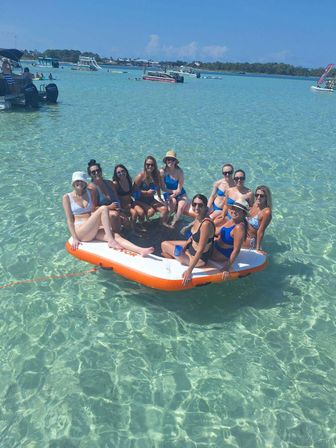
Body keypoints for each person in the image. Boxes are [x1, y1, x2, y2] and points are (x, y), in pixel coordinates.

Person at [63, 171, 154, 256]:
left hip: (92, 228)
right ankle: (111, 241)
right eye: (77, 181)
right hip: (81, 232)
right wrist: (74, 238)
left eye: (82, 181)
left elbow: (95, 207)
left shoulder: (90, 192)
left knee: (116, 236)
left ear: (85, 183)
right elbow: (69, 220)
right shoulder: (67, 197)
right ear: (73, 183)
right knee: (103, 208)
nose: (80, 183)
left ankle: (140, 250)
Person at [161, 194, 215, 286]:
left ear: (205, 207)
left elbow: (200, 250)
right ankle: (176, 259)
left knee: (164, 246)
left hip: (197, 259)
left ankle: (175, 264)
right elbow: (192, 237)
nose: (196, 208)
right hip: (191, 249)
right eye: (194, 204)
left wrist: (189, 270)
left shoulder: (206, 224)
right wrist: (185, 247)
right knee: (166, 244)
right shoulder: (198, 217)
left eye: (200, 205)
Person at [211, 199, 249, 278]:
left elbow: (236, 250)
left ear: (243, 213)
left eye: (238, 210)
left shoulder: (239, 228)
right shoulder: (231, 220)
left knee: (201, 252)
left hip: (222, 253)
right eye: (233, 208)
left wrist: (227, 267)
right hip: (216, 245)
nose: (234, 211)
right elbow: (217, 233)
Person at [87, 159, 122, 231]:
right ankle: (117, 235)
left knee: (125, 220)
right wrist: (109, 207)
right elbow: (93, 208)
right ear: (90, 175)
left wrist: (119, 207)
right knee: (114, 215)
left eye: (98, 170)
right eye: (93, 172)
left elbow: (116, 198)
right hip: (101, 213)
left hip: (113, 209)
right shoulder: (92, 188)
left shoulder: (109, 183)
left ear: (101, 171)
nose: (96, 173)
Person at [134, 155, 169, 225]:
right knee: (151, 212)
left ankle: (161, 226)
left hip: (151, 199)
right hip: (140, 200)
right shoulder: (140, 176)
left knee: (165, 209)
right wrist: (146, 192)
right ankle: (142, 224)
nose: (150, 166)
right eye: (148, 164)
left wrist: (159, 197)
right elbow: (133, 191)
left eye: (152, 165)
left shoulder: (156, 175)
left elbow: (158, 187)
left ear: (154, 166)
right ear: (145, 165)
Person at [112, 164, 146, 229]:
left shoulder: (129, 180)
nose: (121, 173)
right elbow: (114, 197)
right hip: (123, 206)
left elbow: (132, 192)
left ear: (126, 171)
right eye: (118, 172)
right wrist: (120, 208)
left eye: (123, 171)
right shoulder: (116, 184)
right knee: (134, 213)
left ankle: (138, 225)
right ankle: (133, 230)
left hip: (131, 203)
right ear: (116, 175)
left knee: (141, 213)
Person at [160, 150, 188, 228]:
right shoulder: (162, 171)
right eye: (168, 159)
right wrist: (172, 193)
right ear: (166, 161)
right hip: (168, 192)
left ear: (175, 161)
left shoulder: (179, 172)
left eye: (172, 160)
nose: (170, 161)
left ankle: (173, 223)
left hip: (180, 193)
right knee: (173, 203)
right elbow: (162, 187)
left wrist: (173, 195)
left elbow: (179, 189)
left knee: (181, 207)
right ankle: (166, 220)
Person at [244, 185, 272, 251]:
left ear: (266, 198)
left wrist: (258, 248)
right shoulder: (255, 204)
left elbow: (260, 231)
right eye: (257, 195)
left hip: (250, 239)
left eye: (261, 196)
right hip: (242, 233)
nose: (258, 197)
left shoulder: (266, 212)